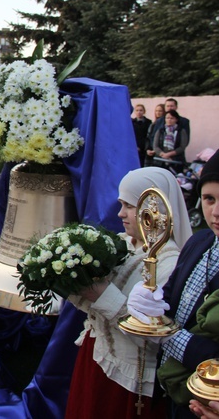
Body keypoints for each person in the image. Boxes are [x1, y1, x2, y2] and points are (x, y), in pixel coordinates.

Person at [127, 141, 219, 419]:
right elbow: (171, 298)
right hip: (176, 390)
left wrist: (167, 334)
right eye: (208, 199)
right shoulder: (200, 241)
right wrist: (149, 302)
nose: (216, 212)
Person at [64, 167, 193, 418]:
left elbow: (155, 336)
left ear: (156, 208)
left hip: (128, 378)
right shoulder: (122, 243)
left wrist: (101, 295)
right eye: (121, 204)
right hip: (97, 356)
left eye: (130, 206)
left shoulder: (168, 262)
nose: (120, 213)